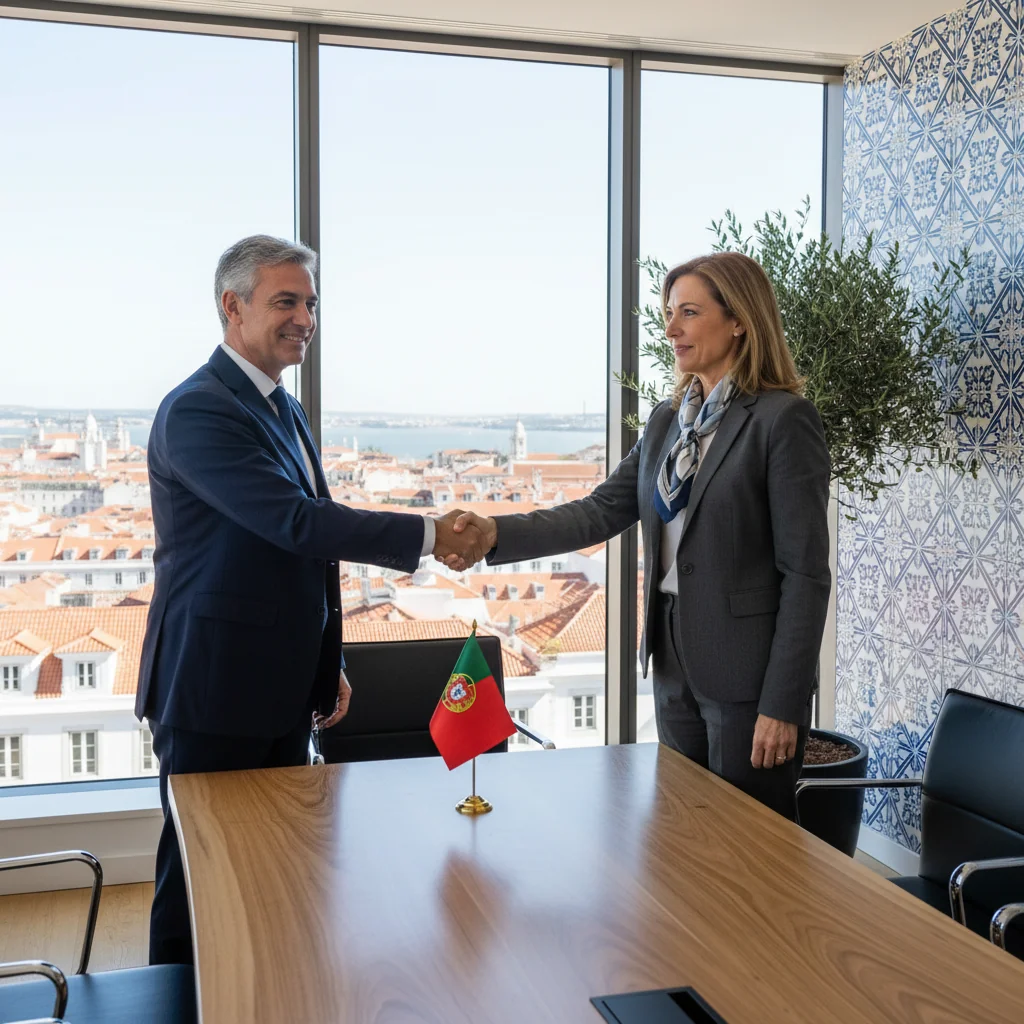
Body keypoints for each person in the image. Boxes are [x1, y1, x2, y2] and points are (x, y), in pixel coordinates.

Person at [138, 235, 488, 964]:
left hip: (277, 683)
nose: (305, 318)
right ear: (232, 307)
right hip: (212, 684)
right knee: (201, 873)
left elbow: (305, 557)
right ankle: (175, 1001)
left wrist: (326, 664)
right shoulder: (198, 411)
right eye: (286, 302)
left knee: (274, 863)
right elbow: (295, 524)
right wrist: (431, 533)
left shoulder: (280, 408)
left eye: (311, 303)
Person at [451, 252, 830, 820]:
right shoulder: (667, 422)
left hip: (749, 674)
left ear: (739, 320)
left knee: (751, 849)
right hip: (674, 656)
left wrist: (783, 703)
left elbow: (805, 575)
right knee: (682, 832)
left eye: (689, 313)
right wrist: (494, 534)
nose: (671, 329)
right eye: (669, 313)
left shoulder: (781, 420)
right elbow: (599, 512)